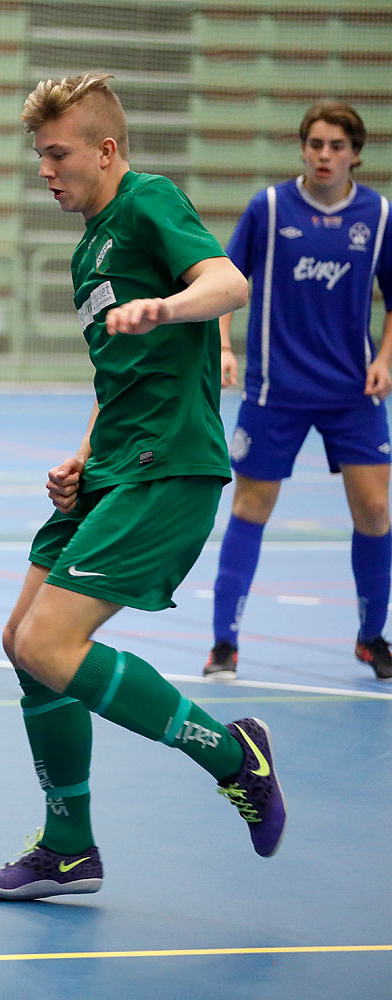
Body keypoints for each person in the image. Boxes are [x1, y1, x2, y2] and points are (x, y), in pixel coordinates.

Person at [0, 71, 285, 902]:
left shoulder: (148, 201)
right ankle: (69, 845)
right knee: (22, 643)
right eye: (41, 155)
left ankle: (231, 755)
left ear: (106, 151)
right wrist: (80, 456)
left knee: (48, 643)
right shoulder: (86, 250)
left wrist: (168, 308)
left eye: (59, 153)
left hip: (169, 467)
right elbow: (116, 386)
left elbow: (229, 285)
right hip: (112, 467)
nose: (47, 170)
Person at [207, 101, 392, 682]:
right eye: (315, 144)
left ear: (355, 154)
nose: (324, 155)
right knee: (250, 508)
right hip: (275, 389)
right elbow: (226, 282)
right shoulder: (268, 207)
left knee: (376, 509)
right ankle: (223, 646)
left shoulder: (379, 217)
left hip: (351, 390)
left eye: (336, 146)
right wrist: (225, 348)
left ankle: (370, 638)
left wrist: (385, 359)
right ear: (303, 150)